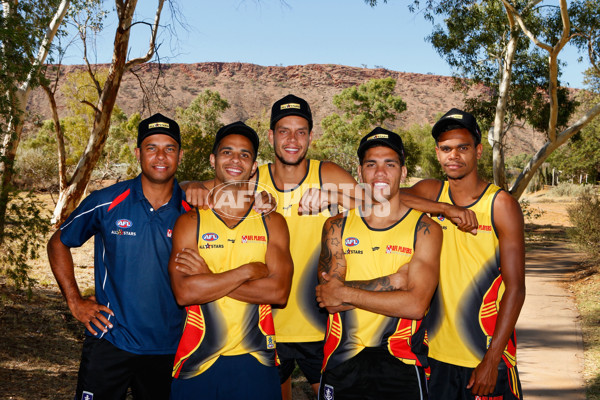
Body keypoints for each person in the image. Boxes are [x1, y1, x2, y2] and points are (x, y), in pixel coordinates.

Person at [182, 95, 479, 399]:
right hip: (268, 325)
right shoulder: (252, 178)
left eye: (301, 131)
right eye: (284, 131)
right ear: (271, 136)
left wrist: (442, 208)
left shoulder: (328, 175)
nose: (292, 139)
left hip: (322, 326)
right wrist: (190, 185)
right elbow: (199, 189)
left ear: (311, 136)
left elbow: (382, 196)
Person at [47, 113, 191, 400]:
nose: (160, 156)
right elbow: (58, 243)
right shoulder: (107, 201)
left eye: (169, 148)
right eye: (151, 147)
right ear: (138, 153)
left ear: (180, 155)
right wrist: (74, 302)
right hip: (110, 341)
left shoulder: (193, 211)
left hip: (171, 347)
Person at [404, 109, 525, 399]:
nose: (454, 156)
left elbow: (516, 288)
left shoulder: (500, 205)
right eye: (446, 149)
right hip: (434, 354)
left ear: (478, 151)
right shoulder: (431, 193)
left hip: (483, 356)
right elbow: (382, 199)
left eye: (463, 148)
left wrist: (492, 360)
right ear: (437, 153)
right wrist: (446, 209)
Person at [168, 121, 293, 400]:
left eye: (244, 155)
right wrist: (248, 271)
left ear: (253, 167)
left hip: (256, 359)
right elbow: (185, 293)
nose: (235, 160)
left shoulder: (272, 222)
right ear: (213, 159)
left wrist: (209, 277)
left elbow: (278, 292)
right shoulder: (190, 222)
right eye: (227, 152)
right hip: (197, 360)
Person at [315, 128, 442, 400]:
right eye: (371, 164)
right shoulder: (336, 225)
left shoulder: (425, 229)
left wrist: (346, 292)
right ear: (360, 173)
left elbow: (415, 305)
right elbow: (329, 299)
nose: (380, 173)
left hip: (402, 363)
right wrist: (395, 283)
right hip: (342, 360)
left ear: (404, 172)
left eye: (390, 164)